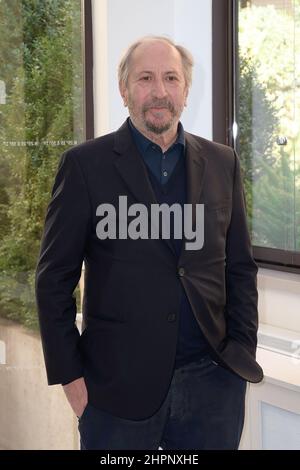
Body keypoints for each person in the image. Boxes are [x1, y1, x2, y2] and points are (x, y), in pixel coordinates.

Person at [35, 35, 264, 450]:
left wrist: (239, 354)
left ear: (185, 89)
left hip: (211, 387)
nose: (159, 91)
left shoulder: (221, 162)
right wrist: (70, 377)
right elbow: (53, 281)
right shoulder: (85, 166)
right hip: (114, 391)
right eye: (145, 78)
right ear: (124, 89)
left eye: (171, 78)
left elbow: (240, 269)